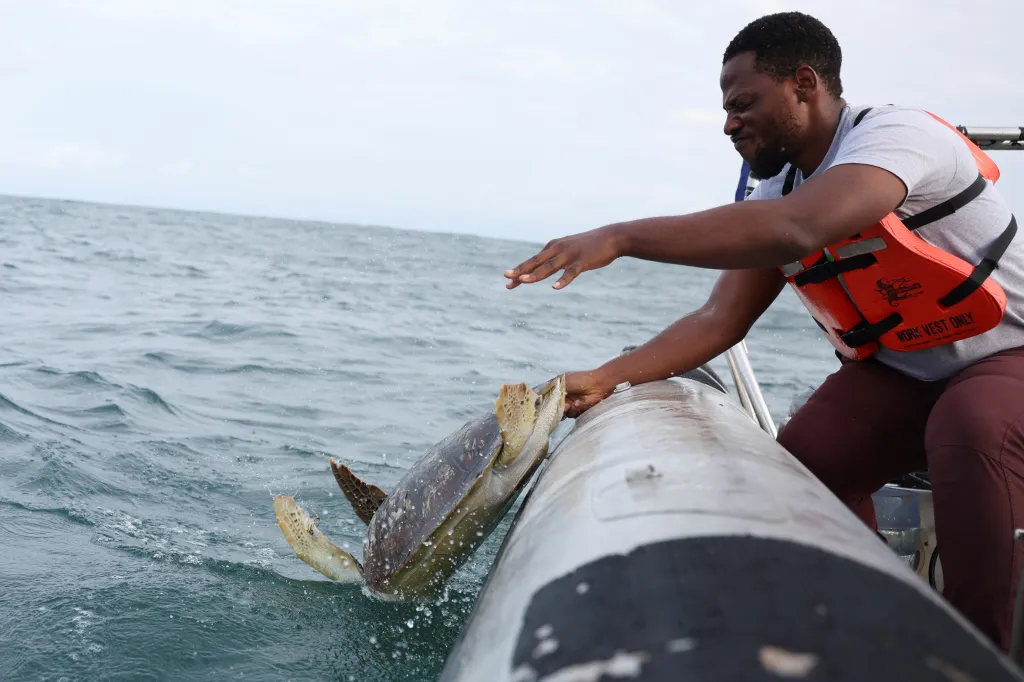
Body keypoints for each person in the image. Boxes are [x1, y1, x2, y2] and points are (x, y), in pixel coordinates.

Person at [502, 11, 1024, 652]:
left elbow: (799, 229)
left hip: (1008, 354)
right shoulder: (779, 189)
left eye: (743, 102)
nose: (728, 123)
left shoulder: (899, 137)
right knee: (807, 463)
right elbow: (720, 318)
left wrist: (621, 235)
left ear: (804, 84)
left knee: (970, 426)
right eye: (725, 108)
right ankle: (869, 633)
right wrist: (603, 380)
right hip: (907, 371)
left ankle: (978, 652)